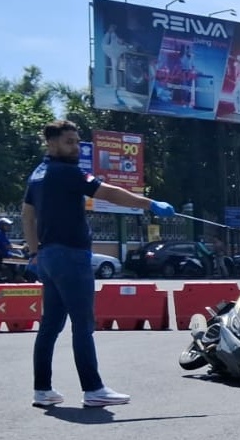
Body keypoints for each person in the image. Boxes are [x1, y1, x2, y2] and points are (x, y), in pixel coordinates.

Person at [22, 119, 175, 408]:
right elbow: (108, 192)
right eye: (69, 142)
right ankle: (93, 389)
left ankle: (42, 389)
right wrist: (150, 204)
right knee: (83, 324)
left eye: (77, 141)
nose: (75, 147)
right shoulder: (66, 172)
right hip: (70, 256)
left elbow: (27, 216)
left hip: (49, 257)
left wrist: (34, 253)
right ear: (51, 143)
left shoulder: (38, 174)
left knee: (50, 325)